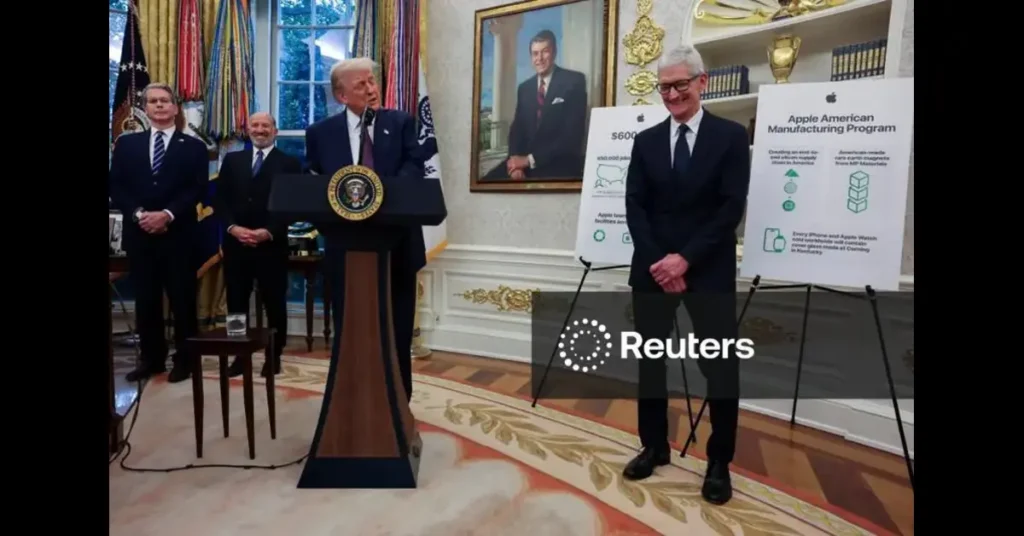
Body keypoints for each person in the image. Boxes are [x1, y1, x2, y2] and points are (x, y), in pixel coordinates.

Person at [622, 44, 751, 505]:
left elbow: (730, 208)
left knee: (719, 368)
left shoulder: (732, 137)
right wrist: (662, 263)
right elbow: (634, 205)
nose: (672, 95)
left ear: (702, 82)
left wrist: (686, 260)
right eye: (664, 87)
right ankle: (654, 445)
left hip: (708, 270)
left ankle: (719, 462)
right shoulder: (645, 142)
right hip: (653, 271)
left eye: (680, 84)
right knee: (650, 363)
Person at [303, 57, 424, 401]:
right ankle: (351, 400)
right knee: (352, 330)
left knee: (396, 329)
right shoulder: (320, 134)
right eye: (361, 85)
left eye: (373, 81)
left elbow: (414, 170)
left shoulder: (400, 123)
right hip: (345, 248)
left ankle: (399, 401)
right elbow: (312, 185)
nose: (371, 90)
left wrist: (378, 205)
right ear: (341, 96)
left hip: (396, 245)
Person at [109, 83, 209, 383]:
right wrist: (140, 215)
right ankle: (152, 359)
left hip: (178, 234)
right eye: (152, 101)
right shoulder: (127, 144)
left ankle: (185, 359)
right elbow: (117, 186)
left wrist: (166, 215)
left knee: (182, 300)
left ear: (176, 107)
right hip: (140, 234)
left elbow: (197, 188)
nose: (159, 106)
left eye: (165, 101)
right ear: (145, 108)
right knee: (146, 299)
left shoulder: (193, 147)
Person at [214, 112, 301, 377]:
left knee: (274, 303)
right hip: (236, 245)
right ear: (247, 129)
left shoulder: (289, 163)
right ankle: (239, 355)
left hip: (271, 246)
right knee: (237, 303)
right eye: (255, 125)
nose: (260, 129)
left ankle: (273, 356)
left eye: (266, 125)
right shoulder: (232, 160)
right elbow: (220, 200)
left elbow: (291, 205)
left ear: (275, 130)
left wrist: (268, 231)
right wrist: (233, 228)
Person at [482, 29, 588, 181]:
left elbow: (571, 137)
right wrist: (514, 164)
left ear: (554, 52)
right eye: (535, 53)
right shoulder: (525, 88)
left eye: (545, 52)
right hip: (524, 164)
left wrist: (529, 160)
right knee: (487, 181)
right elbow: (517, 130)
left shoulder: (574, 81)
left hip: (557, 164)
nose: (539, 58)